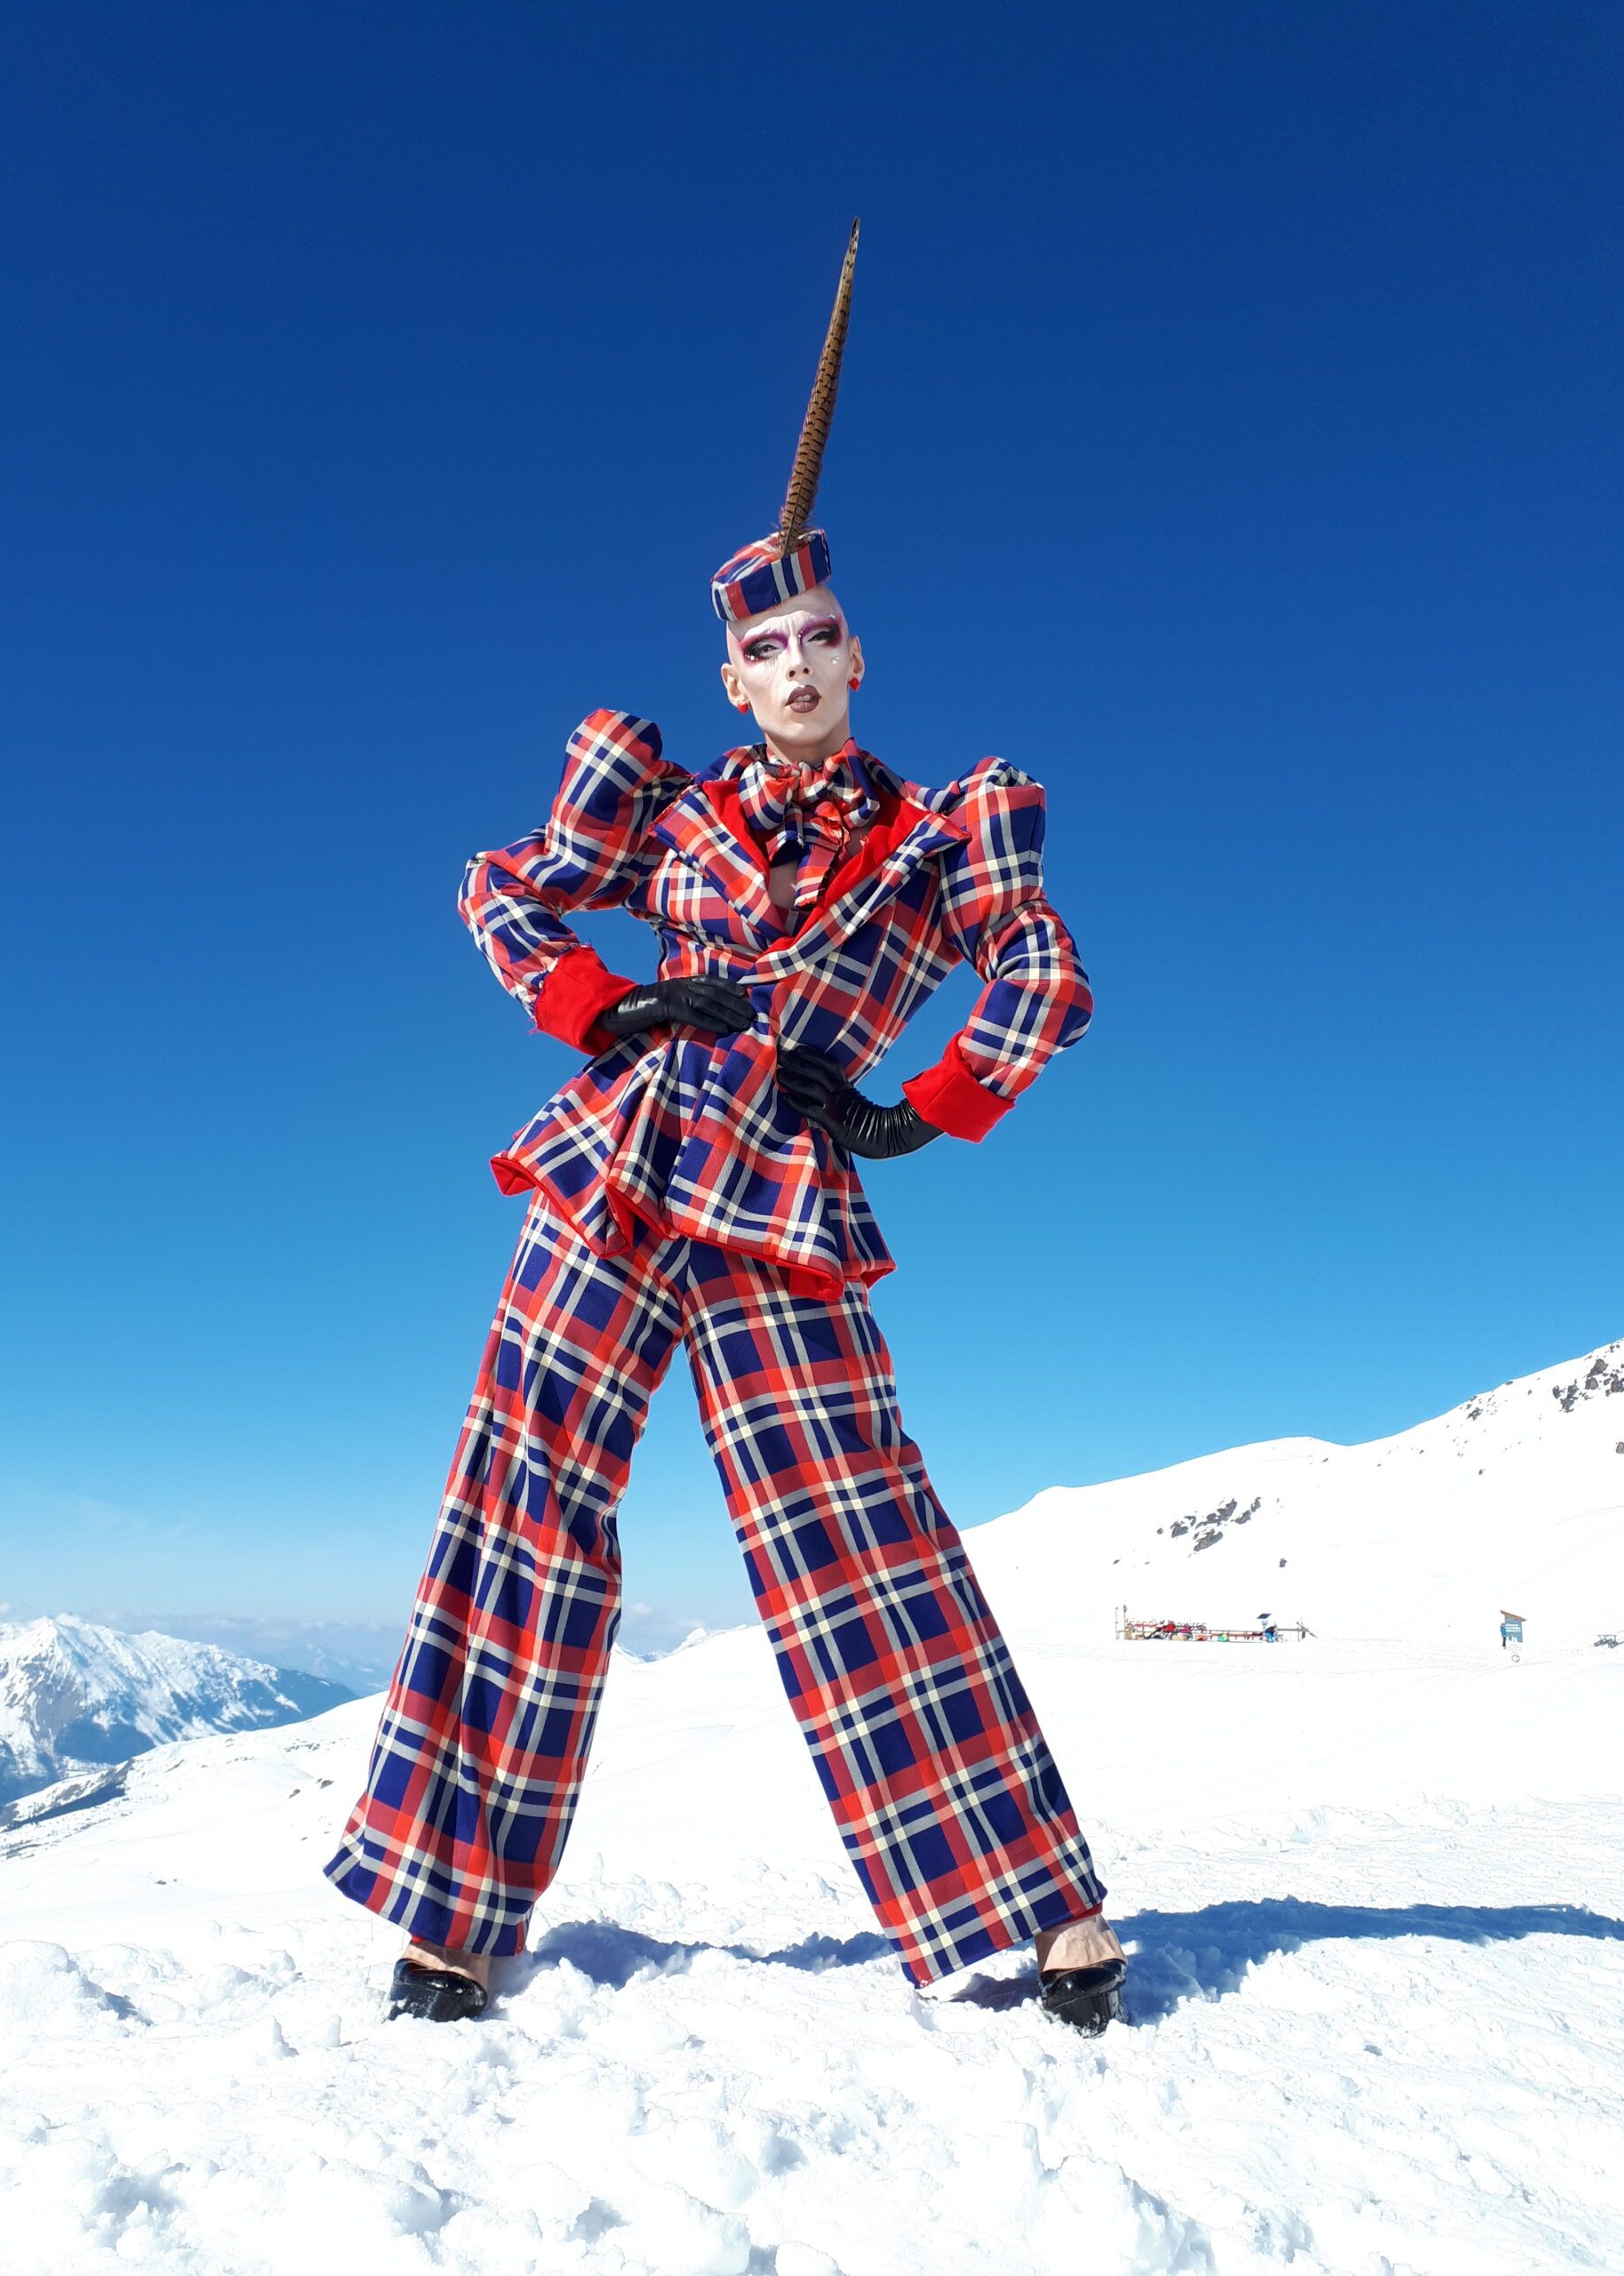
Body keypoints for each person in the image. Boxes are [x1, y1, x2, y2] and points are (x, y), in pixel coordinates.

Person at [323, 223, 1126, 2036]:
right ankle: (454, 1908)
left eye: (823, 636)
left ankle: (1033, 1899)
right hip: (613, 1162)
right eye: (766, 647)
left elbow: (1043, 960)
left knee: (860, 1529)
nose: (799, 665)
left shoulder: (937, 834)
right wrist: (595, 1002)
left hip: (787, 1187)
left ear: (861, 653)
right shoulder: (659, 806)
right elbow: (498, 883)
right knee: (523, 1505)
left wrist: (927, 1103)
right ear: (736, 675)